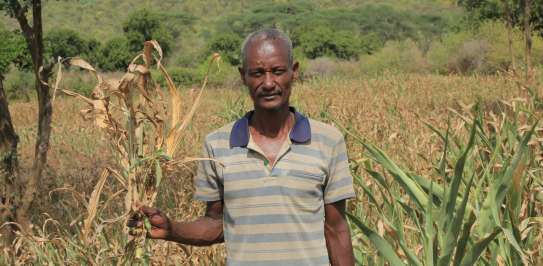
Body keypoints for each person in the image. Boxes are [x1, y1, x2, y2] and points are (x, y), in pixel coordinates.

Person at [136, 28, 356, 266]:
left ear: (294, 73)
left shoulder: (327, 140)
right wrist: (172, 229)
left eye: (278, 71)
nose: (269, 83)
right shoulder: (217, 144)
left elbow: (336, 229)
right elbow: (216, 224)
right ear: (243, 76)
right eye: (257, 73)